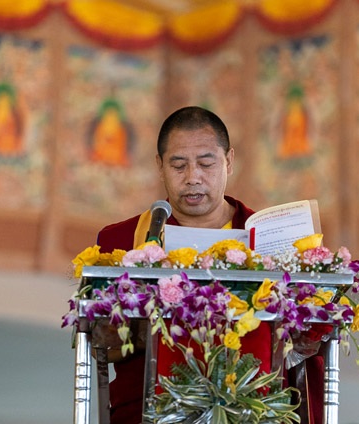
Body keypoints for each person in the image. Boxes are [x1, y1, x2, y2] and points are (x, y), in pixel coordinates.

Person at [96, 106, 326, 423]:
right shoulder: (122, 241)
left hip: (255, 410)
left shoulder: (273, 239)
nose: (193, 178)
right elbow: (100, 345)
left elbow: (310, 340)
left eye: (206, 163)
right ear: (159, 166)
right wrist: (139, 330)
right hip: (148, 411)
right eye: (178, 165)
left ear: (229, 161)